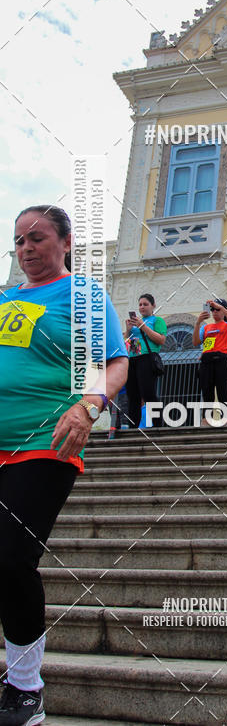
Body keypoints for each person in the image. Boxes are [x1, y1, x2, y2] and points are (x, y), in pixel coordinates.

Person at [0, 205, 128, 724]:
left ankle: (25, 688)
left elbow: (116, 360)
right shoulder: (5, 297)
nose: (26, 249)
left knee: (10, 559)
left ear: (66, 241)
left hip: (44, 442)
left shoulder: (84, 295)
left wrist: (88, 405)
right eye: (19, 241)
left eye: (37, 238)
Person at [123, 294, 166, 431]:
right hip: (133, 358)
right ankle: (133, 427)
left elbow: (160, 339)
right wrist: (129, 330)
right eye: (140, 304)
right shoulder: (136, 324)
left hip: (147, 358)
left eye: (145, 304)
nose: (142, 307)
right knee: (133, 395)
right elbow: (126, 344)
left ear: (153, 306)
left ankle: (158, 425)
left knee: (148, 393)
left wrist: (143, 326)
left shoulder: (157, 320)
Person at [193, 299, 227, 424]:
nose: (214, 312)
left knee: (222, 392)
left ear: (224, 311)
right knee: (207, 393)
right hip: (207, 360)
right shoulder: (206, 327)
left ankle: (226, 421)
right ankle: (206, 421)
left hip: (222, 360)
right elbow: (196, 342)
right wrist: (197, 323)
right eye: (212, 310)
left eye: (217, 309)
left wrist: (222, 308)